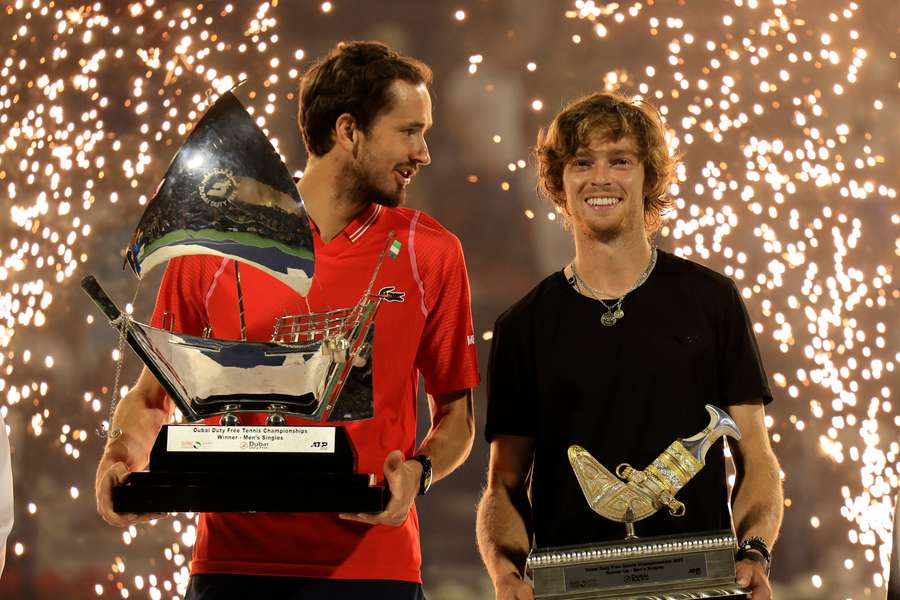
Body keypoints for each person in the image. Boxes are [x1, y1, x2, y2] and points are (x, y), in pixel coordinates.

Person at [95, 41, 480, 599]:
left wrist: (418, 473)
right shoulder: (213, 248)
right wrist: (121, 452)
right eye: (409, 131)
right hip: (232, 565)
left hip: (373, 569)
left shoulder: (433, 252)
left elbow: (457, 419)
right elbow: (154, 395)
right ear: (348, 131)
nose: (423, 152)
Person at [476, 91, 783, 600]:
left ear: (649, 177)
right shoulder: (523, 325)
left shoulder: (712, 300)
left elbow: (755, 455)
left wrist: (754, 552)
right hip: (571, 592)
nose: (600, 178)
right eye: (582, 163)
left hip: (700, 588)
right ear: (559, 183)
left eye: (620, 160)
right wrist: (506, 575)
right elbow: (504, 484)